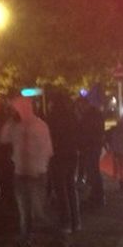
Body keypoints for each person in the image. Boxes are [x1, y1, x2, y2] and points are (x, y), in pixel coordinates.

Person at [0, 96, 54, 247]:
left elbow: (48, 150)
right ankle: (25, 244)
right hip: (21, 173)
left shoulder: (39, 126)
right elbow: (3, 138)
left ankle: (59, 237)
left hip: (36, 174)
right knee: (25, 214)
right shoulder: (16, 126)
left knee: (39, 213)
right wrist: (10, 121)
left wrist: (37, 166)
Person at [47, 94, 81, 234]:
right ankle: (76, 221)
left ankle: (65, 222)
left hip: (58, 156)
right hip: (72, 155)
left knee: (61, 190)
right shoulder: (72, 116)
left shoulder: (52, 119)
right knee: (71, 188)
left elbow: (50, 138)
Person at [76, 98, 106, 208]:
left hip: (91, 147)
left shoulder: (89, 116)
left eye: (81, 105)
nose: (80, 108)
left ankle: (98, 196)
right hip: (93, 146)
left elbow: (86, 132)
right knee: (93, 171)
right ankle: (96, 195)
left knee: (93, 171)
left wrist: (84, 144)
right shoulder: (95, 114)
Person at [105, 116, 123, 192]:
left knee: (121, 167)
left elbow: (111, 139)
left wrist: (110, 149)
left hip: (118, 151)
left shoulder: (115, 130)